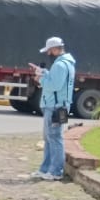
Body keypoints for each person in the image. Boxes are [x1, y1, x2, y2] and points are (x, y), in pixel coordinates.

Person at [30, 36, 76, 181]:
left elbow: (55, 85)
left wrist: (41, 79)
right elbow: (57, 81)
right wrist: (44, 73)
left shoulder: (60, 65)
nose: (48, 54)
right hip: (61, 105)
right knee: (52, 137)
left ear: (55, 49)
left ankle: (55, 170)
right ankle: (46, 168)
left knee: (54, 137)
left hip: (55, 106)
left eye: (49, 50)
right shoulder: (67, 64)